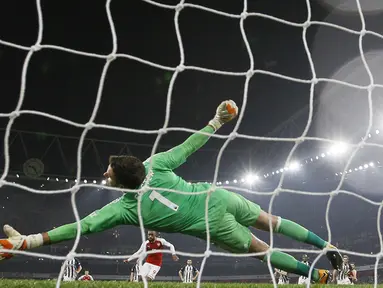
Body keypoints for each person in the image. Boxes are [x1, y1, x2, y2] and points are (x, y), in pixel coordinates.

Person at [0, 100, 342, 283]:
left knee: (263, 250)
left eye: (108, 171)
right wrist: (217, 121)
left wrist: (30, 241)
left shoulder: (124, 208)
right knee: (273, 220)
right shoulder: (155, 164)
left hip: (213, 223)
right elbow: (190, 145)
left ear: (120, 179)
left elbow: (78, 229)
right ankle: (325, 245)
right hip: (216, 195)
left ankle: (317, 275)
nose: (105, 173)